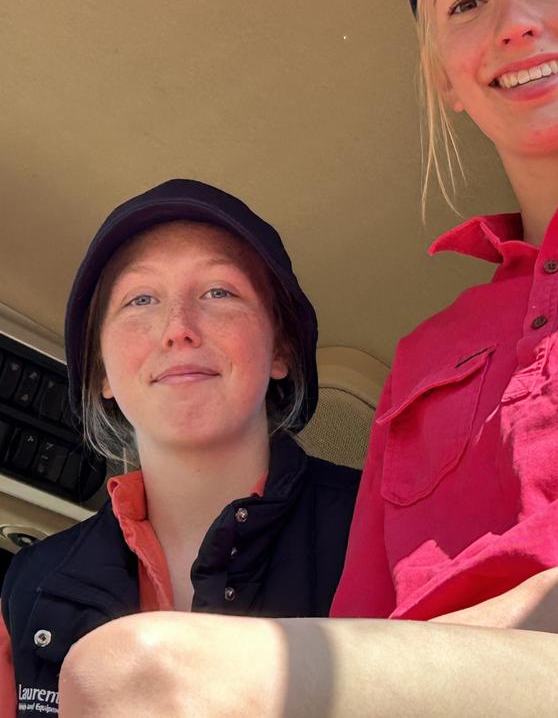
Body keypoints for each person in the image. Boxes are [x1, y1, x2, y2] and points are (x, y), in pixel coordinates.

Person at [54, 0, 558, 714]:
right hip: (433, 674)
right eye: (467, 1)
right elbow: (364, 618)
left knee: (139, 676)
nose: (516, 21)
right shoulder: (425, 356)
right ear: (444, 73)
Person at [0, 179, 360, 717]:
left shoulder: (379, 525)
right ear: (101, 373)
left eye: (219, 291)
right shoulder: (27, 585)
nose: (178, 329)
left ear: (281, 350)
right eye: (140, 299)